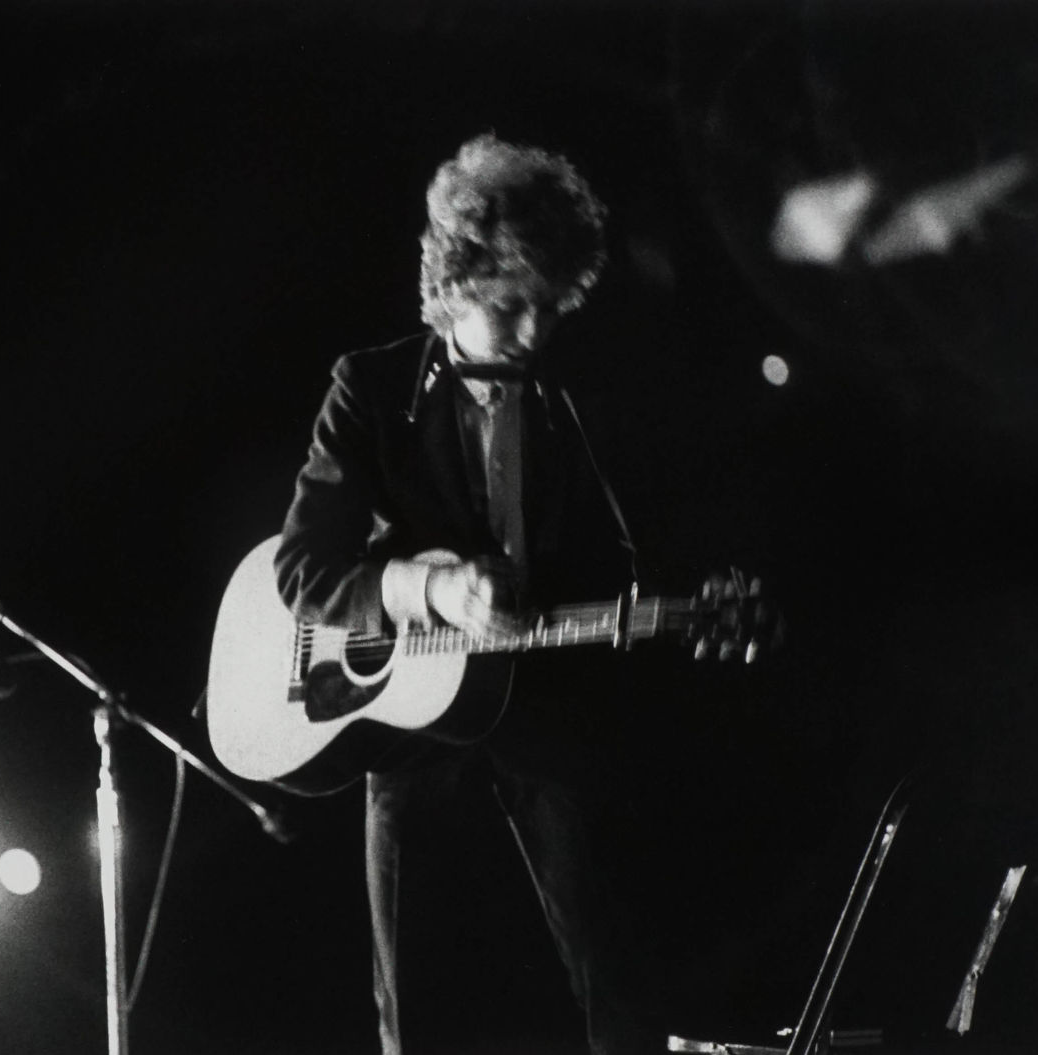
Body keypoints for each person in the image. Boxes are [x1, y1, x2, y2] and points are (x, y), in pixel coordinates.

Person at [274, 133, 661, 1054]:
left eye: (551, 308)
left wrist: (646, 612)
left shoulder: (558, 408)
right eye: (512, 305)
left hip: (535, 724)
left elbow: (612, 567)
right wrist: (430, 586)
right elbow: (301, 574)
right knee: (414, 1012)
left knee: (603, 997)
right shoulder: (369, 388)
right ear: (455, 284)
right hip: (405, 732)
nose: (534, 333)